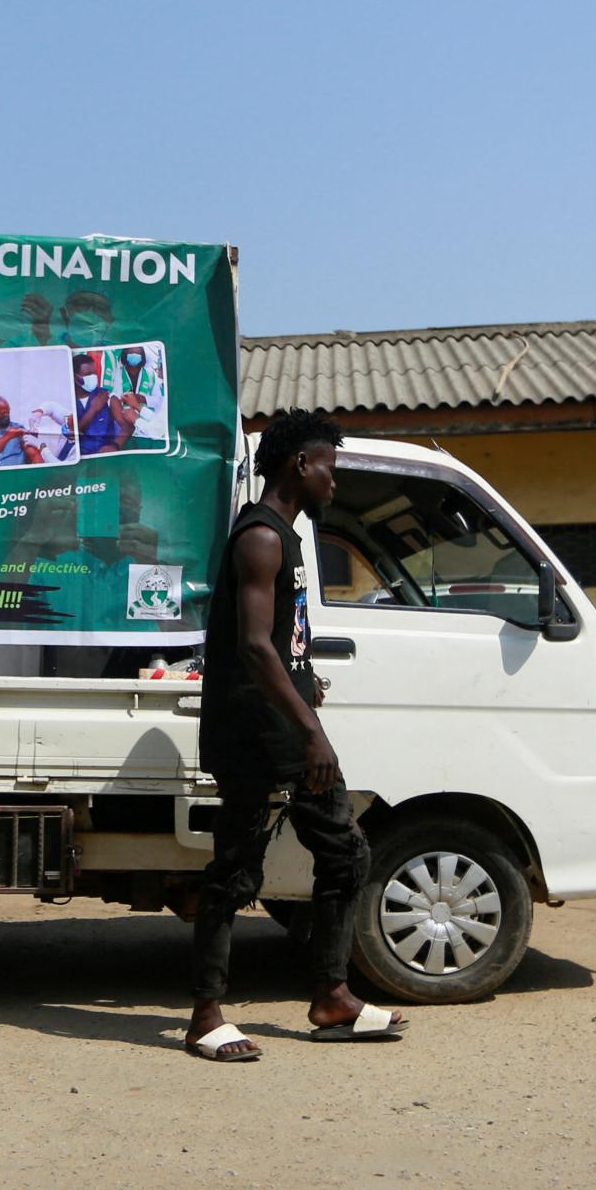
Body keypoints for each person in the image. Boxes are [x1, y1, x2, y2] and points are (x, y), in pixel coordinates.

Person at [184, 412, 407, 1061]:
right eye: (329, 466)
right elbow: (255, 647)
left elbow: (287, 645)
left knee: (347, 853)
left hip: (287, 725)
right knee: (234, 872)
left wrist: (308, 704)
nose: (335, 479)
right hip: (253, 733)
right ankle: (205, 1015)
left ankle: (333, 996)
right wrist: (314, 732)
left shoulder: (291, 535)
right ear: (298, 466)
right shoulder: (259, 538)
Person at [72, 351, 121, 456]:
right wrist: (93, 410)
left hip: (103, 458)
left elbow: (128, 426)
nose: (93, 377)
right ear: (75, 378)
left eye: (94, 373)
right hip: (78, 458)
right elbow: (72, 434)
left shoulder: (106, 396)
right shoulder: (68, 400)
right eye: (87, 374)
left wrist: (116, 445)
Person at [0, 395, 46, 468]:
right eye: (2, 414)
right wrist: (8, 436)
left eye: (8, 413)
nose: (6, 417)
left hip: (17, 474)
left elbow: (34, 454)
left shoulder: (18, 428)